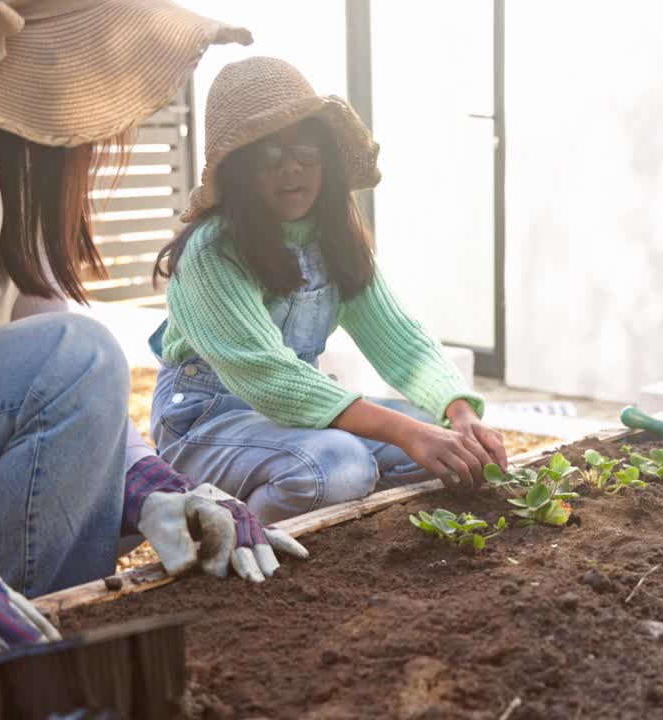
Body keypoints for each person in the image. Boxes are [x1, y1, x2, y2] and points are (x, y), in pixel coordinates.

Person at [0, 0, 307, 670]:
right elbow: (65, 371)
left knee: (74, 355)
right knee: (78, 358)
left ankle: (24, 671)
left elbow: (43, 351)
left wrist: (155, 486)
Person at [149, 56, 509, 525]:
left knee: (441, 436)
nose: (292, 168)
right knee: (336, 468)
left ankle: (329, 524)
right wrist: (407, 434)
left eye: (306, 151)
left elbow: (400, 339)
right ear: (238, 170)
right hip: (207, 422)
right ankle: (224, 538)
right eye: (268, 157)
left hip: (293, 420)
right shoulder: (211, 253)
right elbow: (270, 377)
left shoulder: (332, 238)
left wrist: (460, 412)